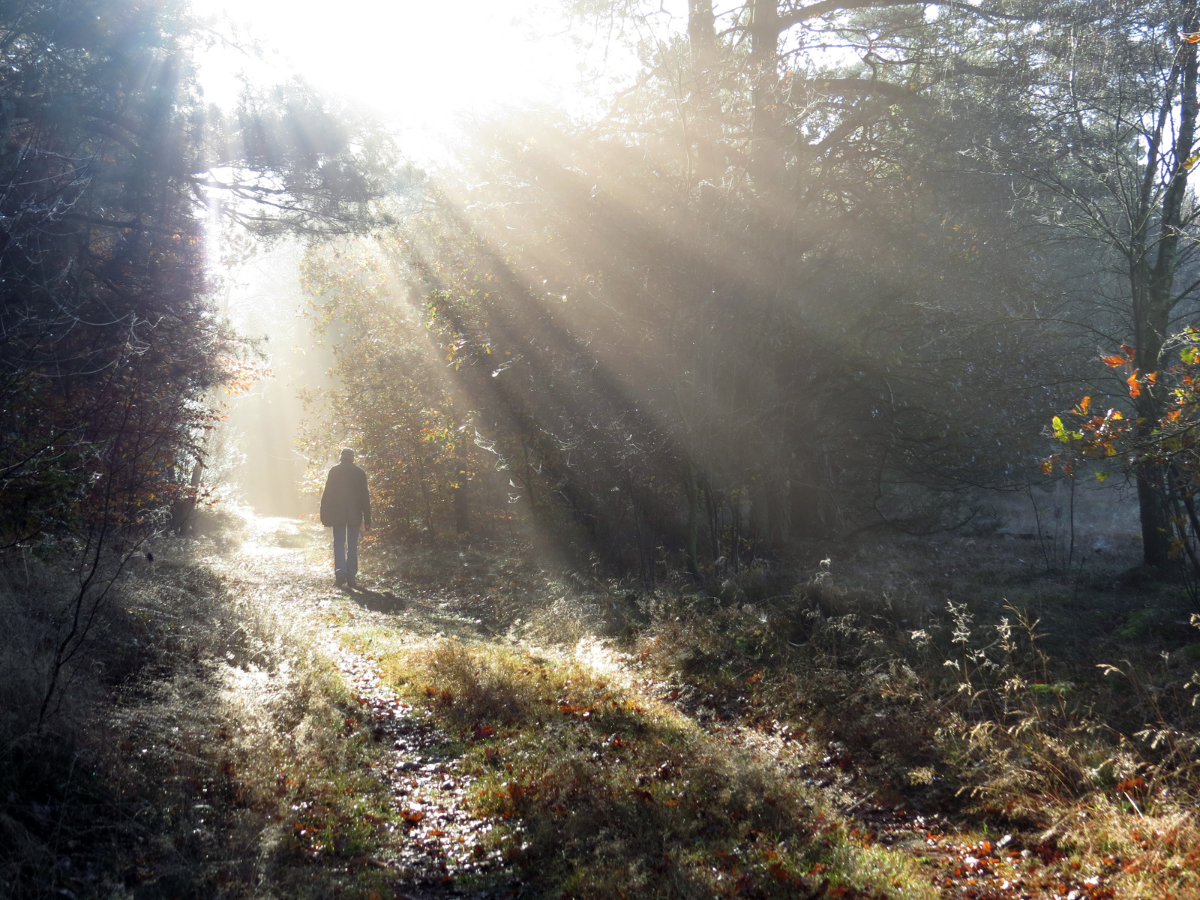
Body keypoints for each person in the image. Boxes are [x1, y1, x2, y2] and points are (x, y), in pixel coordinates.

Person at [319, 448, 371, 588]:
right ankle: (351, 577)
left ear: (341, 457)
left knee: (339, 543)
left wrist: (324, 515)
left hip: (338, 514)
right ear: (352, 458)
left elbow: (327, 495)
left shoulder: (335, 471)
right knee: (352, 544)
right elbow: (365, 497)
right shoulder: (359, 473)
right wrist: (367, 519)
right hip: (355, 514)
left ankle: (340, 575)